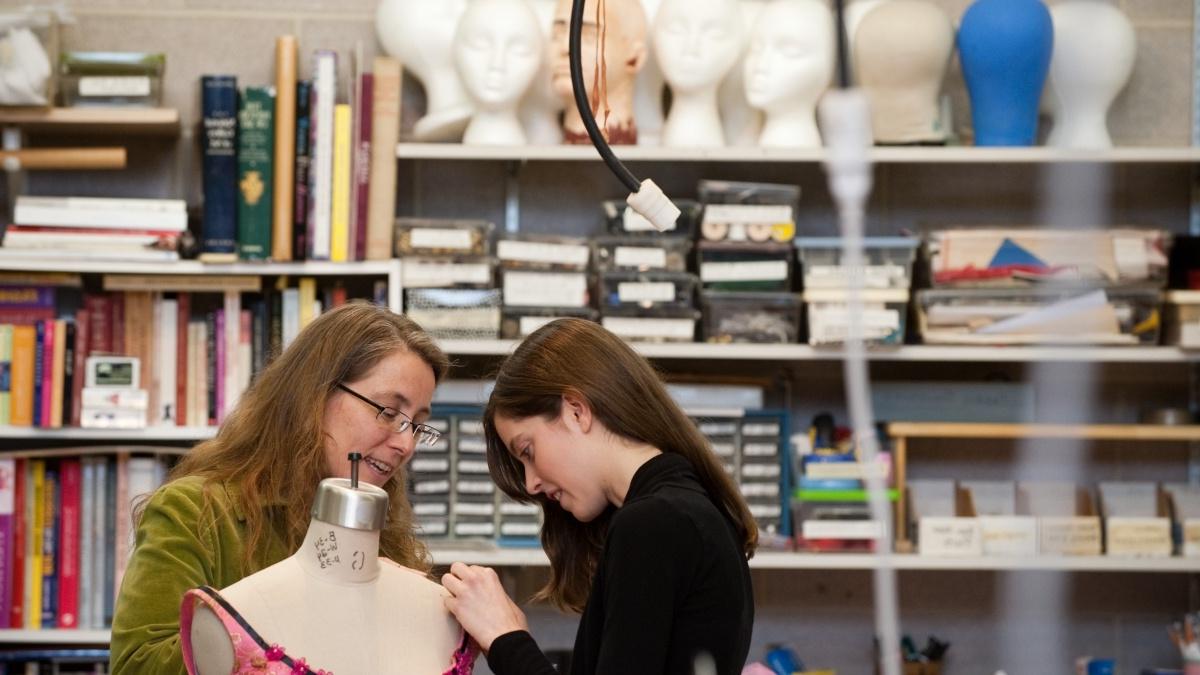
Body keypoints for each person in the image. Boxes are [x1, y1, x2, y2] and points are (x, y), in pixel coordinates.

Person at [110, 301, 450, 674]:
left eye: (417, 425)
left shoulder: (386, 538)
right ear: (315, 394)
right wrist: (284, 606)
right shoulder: (193, 511)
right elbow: (139, 666)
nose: (406, 445)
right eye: (388, 412)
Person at [442, 318, 757, 675]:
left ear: (577, 411)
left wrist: (505, 638)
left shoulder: (652, 524)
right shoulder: (694, 509)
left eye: (527, 450)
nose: (530, 484)